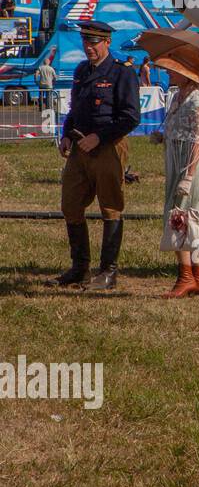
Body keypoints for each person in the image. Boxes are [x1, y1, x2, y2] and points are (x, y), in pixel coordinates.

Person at [47, 20, 140, 290]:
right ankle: (80, 269)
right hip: (79, 148)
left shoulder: (122, 73)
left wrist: (99, 137)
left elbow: (131, 117)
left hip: (108, 147)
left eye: (94, 42)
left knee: (110, 207)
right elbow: (76, 109)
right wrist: (66, 134)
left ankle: (108, 272)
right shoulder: (81, 71)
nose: (89, 47)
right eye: (86, 42)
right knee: (70, 205)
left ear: (107, 42)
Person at [153, 54, 199, 299]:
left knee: (178, 215)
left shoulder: (197, 99)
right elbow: (180, 128)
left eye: (172, 69)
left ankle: (186, 276)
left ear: (186, 72)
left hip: (191, 162)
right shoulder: (180, 97)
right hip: (178, 158)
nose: (168, 73)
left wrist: (188, 176)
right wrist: (163, 137)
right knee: (191, 217)